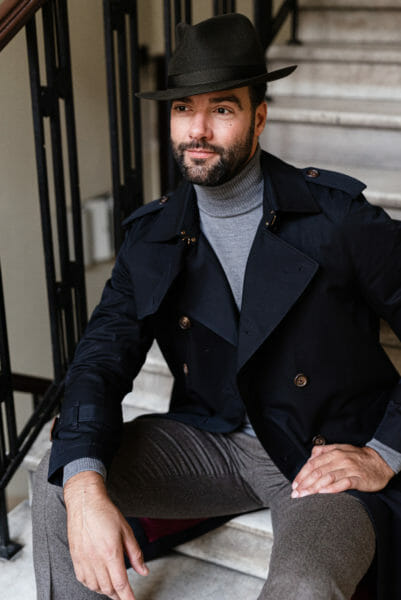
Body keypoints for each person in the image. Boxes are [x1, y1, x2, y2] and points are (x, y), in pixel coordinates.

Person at [32, 13, 401, 600]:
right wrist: (82, 490)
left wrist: (384, 452)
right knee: (64, 478)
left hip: (321, 456)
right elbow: (99, 361)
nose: (198, 129)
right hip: (215, 441)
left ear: (259, 118)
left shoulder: (337, 219)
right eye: (184, 108)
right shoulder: (152, 236)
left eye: (222, 109)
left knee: (304, 585)